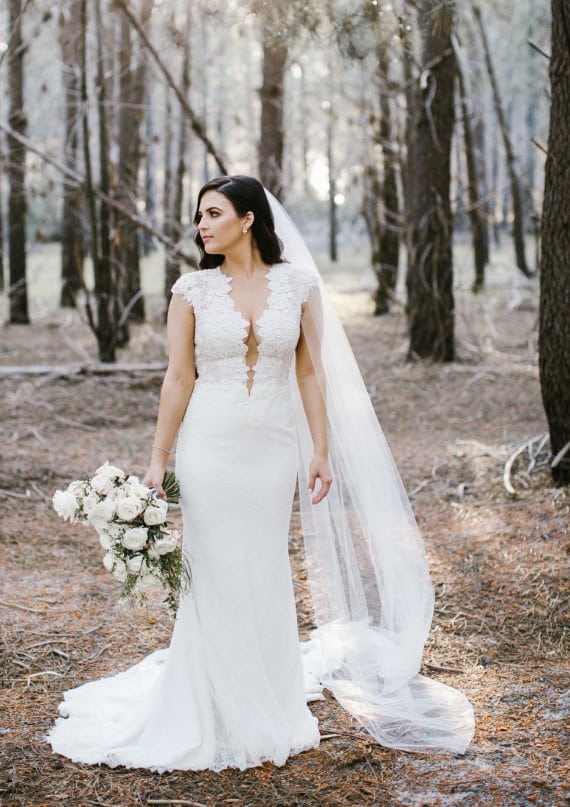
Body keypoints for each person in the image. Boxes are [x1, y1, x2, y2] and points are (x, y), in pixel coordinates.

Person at [48, 175, 474, 771]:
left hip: (273, 447)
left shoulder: (298, 285)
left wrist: (320, 450)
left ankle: (268, 698)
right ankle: (210, 703)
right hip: (210, 445)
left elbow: (309, 373)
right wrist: (158, 458)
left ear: (248, 219)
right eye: (198, 216)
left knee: (266, 564)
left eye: (213, 213)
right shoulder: (191, 291)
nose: (201, 225)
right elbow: (178, 378)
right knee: (214, 568)